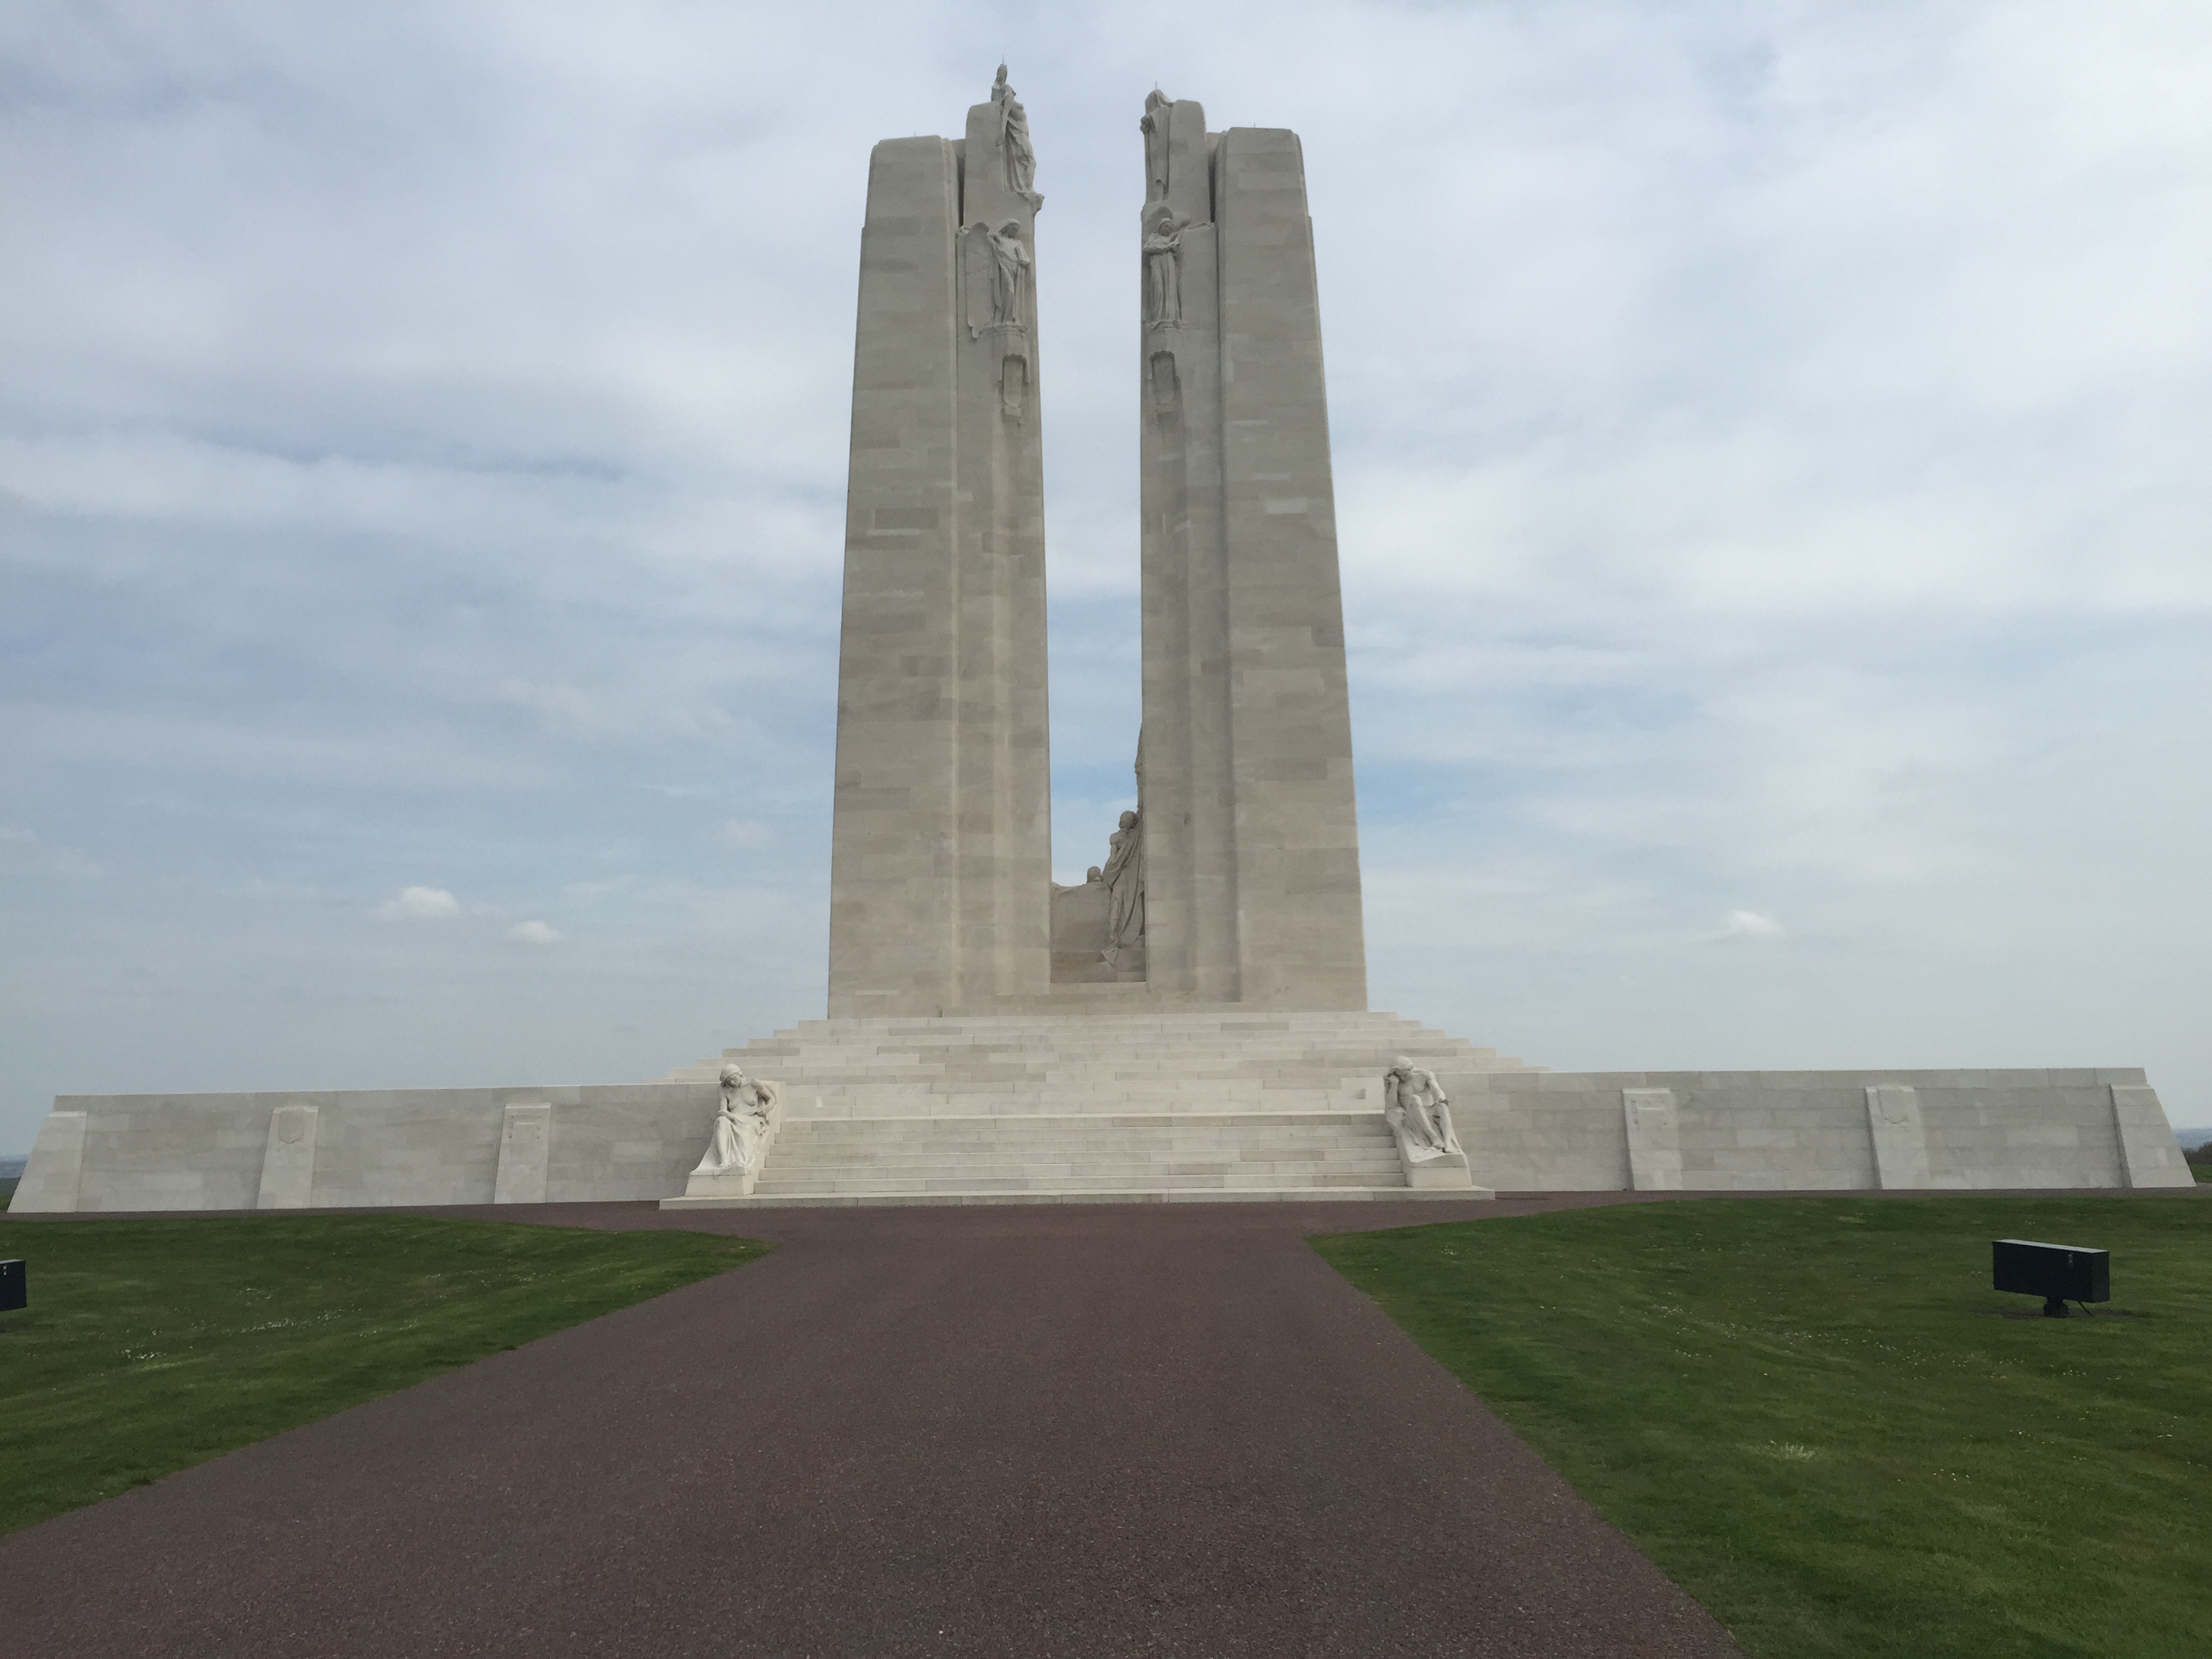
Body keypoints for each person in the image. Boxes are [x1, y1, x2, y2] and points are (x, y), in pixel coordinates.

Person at [1383, 1056, 1459, 1158]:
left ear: (1411, 1069)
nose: (1402, 1078)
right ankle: (1434, 1138)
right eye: (1400, 1076)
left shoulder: (1424, 1075)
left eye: (1405, 1075)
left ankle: (1448, 1143)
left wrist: (1441, 1098)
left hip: (1428, 1109)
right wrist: (1394, 1085)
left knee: (1442, 1107)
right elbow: (1390, 1104)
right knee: (1415, 1099)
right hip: (1411, 1114)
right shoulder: (1394, 1082)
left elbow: (1436, 1089)